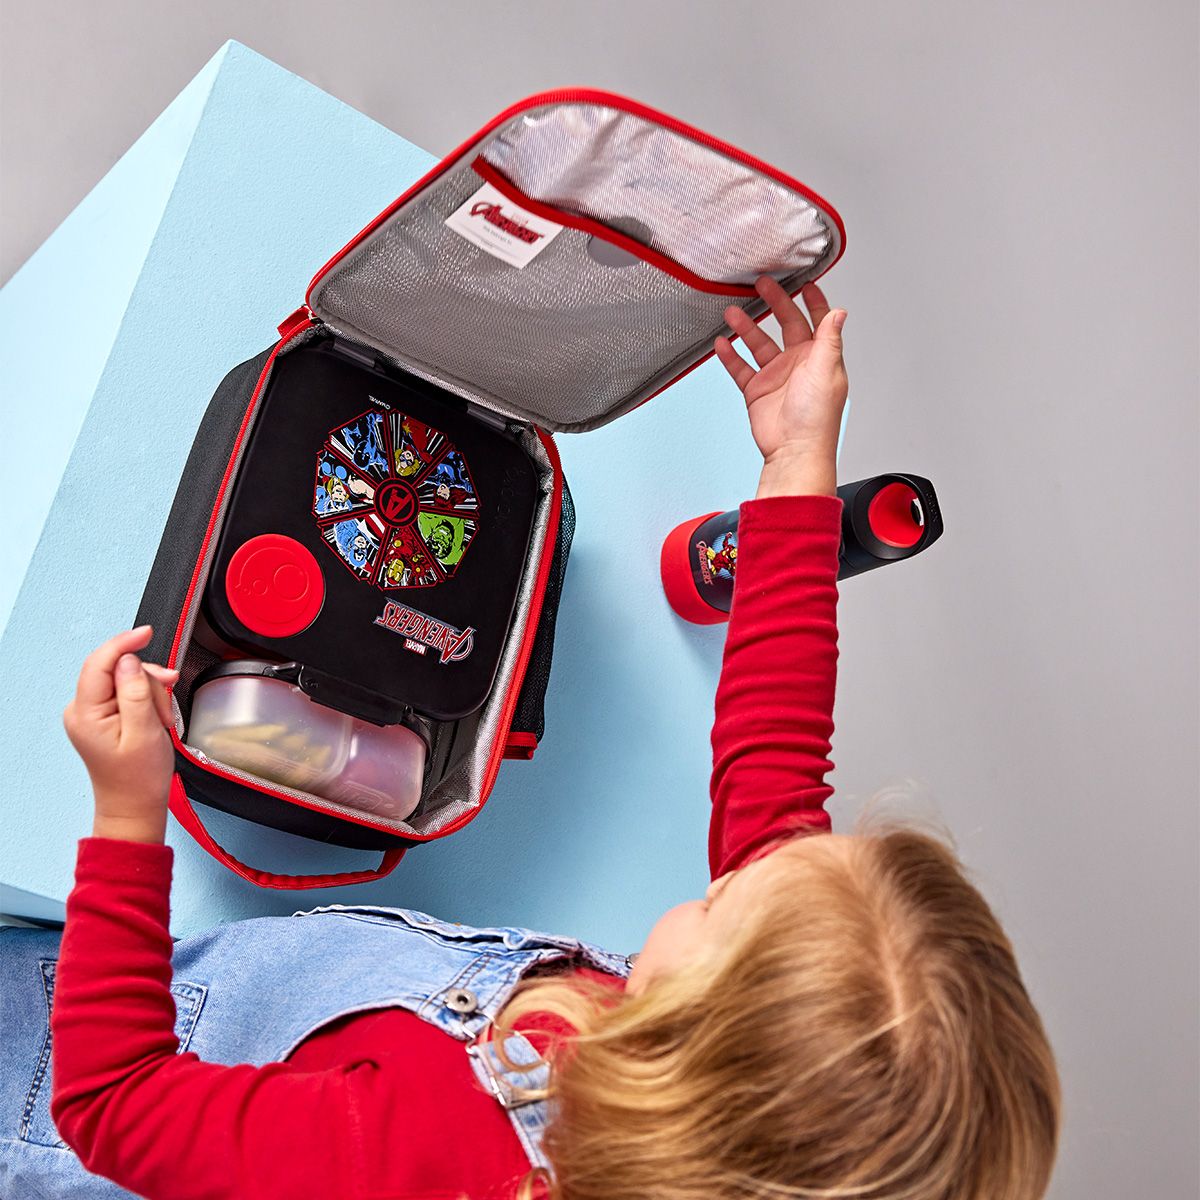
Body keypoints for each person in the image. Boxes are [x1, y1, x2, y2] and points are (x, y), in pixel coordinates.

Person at [0, 279, 1059, 1200]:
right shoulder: (727, 1059)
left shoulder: (431, 1151)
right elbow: (776, 770)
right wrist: (798, 461)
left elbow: (114, 1102)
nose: (757, 857)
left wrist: (128, 807)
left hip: (65, 1070)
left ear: (692, 1048)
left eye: (725, 900)